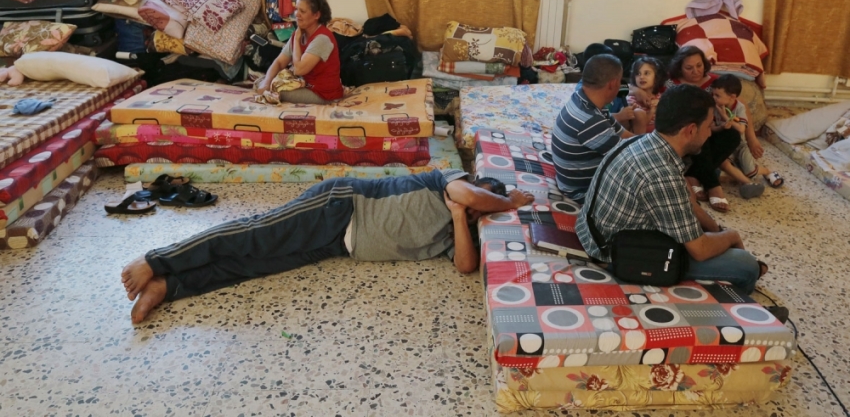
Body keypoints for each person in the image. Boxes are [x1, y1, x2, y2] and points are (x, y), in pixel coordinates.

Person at [120, 170, 535, 323]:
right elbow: (473, 196)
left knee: (256, 264)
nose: (470, 206)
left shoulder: (455, 226)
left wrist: (461, 218)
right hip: (340, 206)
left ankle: (169, 286)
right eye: (477, 200)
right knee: (255, 234)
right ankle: (157, 259)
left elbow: (465, 266)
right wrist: (503, 202)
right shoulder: (450, 178)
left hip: (339, 245)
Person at [574, 84, 768, 294]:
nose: (710, 134)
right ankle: (743, 307)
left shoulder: (643, 142)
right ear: (691, 130)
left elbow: (687, 202)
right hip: (616, 254)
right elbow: (700, 250)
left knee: (714, 237)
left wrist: (715, 230)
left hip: (594, 233)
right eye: (708, 126)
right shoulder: (661, 173)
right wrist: (731, 236)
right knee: (745, 264)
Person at [666, 46, 747, 212]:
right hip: (684, 132)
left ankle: (693, 175)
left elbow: (739, 105)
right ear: (679, 68)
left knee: (732, 135)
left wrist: (752, 139)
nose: (696, 71)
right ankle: (713, 186)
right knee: (700, 133)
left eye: (699, 65)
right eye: (689, 68)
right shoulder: (670, 83)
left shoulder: (715, 83)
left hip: (712, 129)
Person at [552, 54, 634, 204]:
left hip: (569, 181)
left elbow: (624, 135)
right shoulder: (591, 122)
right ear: (613, 84)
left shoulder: (583, 99)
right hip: (582, 193)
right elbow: (632, 159)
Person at [256, 0, 344, 104]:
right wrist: (266, 83)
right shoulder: (298, 33)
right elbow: (279, 62)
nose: (297, 14)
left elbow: (299, 69)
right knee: (262, 81)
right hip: (306, 85)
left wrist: (297, 40)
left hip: (323, 94)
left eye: (302, 11)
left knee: (275, 87)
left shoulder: (322, 39)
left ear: (316, 15)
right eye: (296, 9)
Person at [711, 74, 784, 192]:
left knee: (750, 172)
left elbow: (741, 129)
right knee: (723, 164)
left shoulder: (739, 108)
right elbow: (713, 127)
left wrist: (725, 117)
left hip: (740, 145)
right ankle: (747, 183)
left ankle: (766, 171)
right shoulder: (715, 107)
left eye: (717, 96)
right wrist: (721, 127)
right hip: (724, 146)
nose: (714, 98)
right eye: (713, 94)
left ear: (732, 97)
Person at [626, 56, 666, 134]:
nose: (641, 77)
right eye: (638, 74)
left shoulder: (660, 97)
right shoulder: (631, 99)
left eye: (646, 73)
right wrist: (652, 110)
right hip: (640, 134)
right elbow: (642, 122)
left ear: (657, 77)